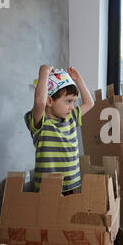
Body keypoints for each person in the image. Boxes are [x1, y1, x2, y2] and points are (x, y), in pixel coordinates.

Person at [24, 65, 94, 195]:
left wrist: (78, 80)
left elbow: (90, 103)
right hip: (47, 186)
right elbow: (39, 102)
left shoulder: (71, 118)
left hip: (71, 184)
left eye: (74, 102)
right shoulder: (42, 123)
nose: (72, 107)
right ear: (49, 101)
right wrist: (43, 73)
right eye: (68, 101)